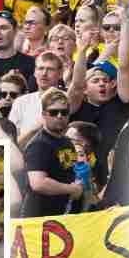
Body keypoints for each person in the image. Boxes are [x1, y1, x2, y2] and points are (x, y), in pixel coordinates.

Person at [23, 88, 80, 217]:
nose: (59, 116)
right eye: (54, 112)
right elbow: (38, 183)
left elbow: (71, 172)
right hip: (38, 219)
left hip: (61, 216)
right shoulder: (39, 144)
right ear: (44, 115)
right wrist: (71, 189)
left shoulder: (67, 143)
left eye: (64, 112)